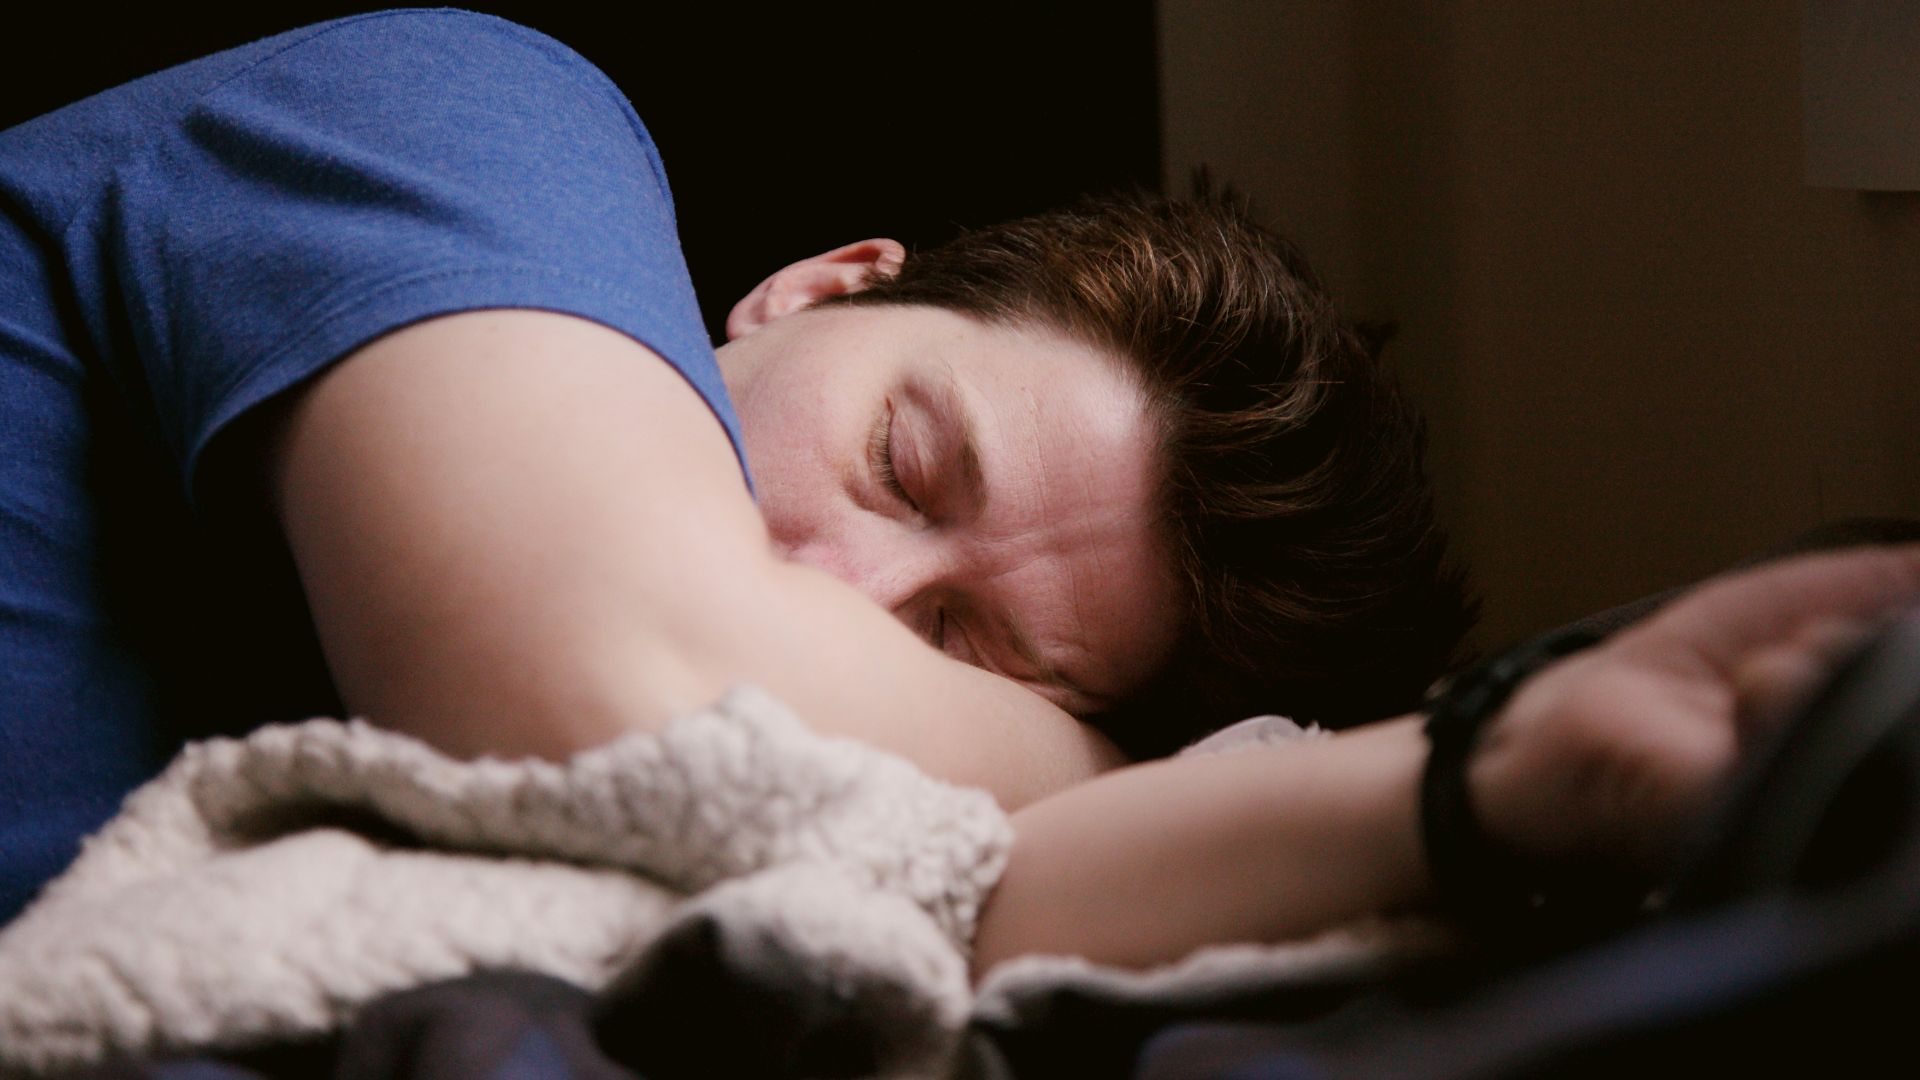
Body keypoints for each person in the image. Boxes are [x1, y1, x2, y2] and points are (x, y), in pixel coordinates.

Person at [2, 7, 1914, 985]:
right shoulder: (468, 113)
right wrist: (1173, 770)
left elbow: (939, 877)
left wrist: (1520, 769)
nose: (826, 589)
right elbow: (628, 699)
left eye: (958, 648)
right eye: (904, 461)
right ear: (823, 287)